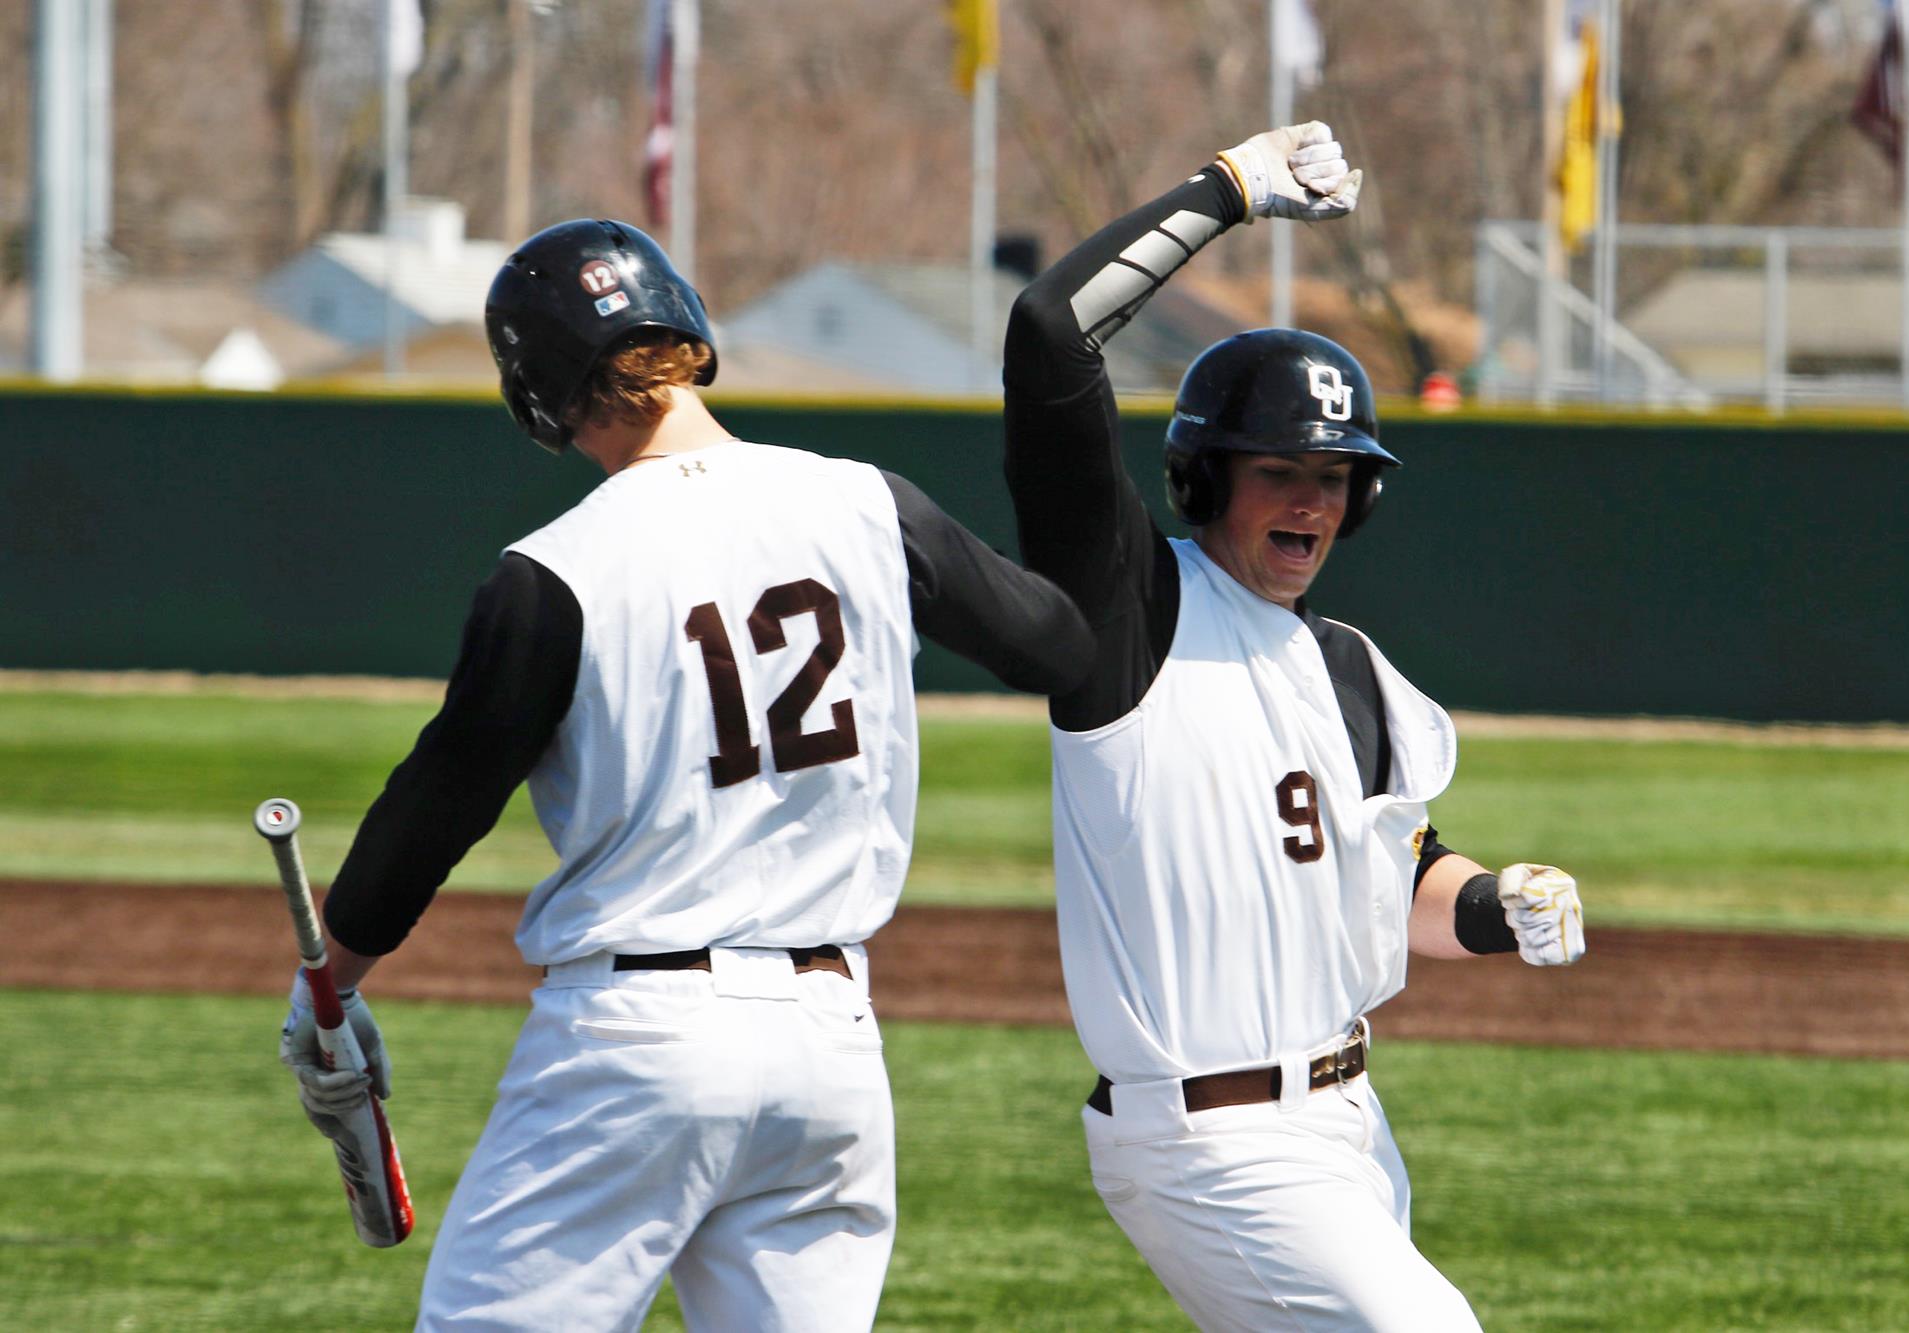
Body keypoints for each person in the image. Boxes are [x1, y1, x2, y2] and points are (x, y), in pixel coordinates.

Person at [278, 217, 1092, 1331]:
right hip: (831, 1048)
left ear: (537, 395)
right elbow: (1058, 648)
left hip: (638, 1041)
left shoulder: (554, 570)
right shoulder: (867, 500)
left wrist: (333, 976)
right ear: (687, 334)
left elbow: (440, 801)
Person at [1001, 123, 1587, 1330]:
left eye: (1335, 476)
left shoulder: (1350, 671)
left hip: (1345, 1123)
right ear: (1204, 477)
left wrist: (1495, 900)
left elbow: (1392, 869)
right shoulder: (1133, 613)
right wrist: (1224, 195)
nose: (1312, 498)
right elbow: (1049, 337)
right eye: (1280, 468)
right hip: (1206, 1141)